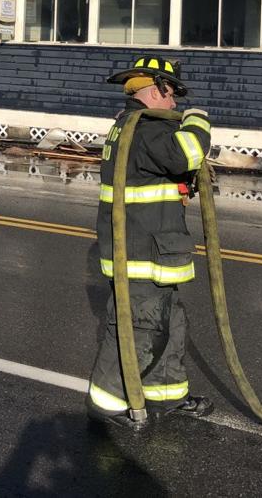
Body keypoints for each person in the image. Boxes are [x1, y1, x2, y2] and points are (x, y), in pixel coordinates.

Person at [86, 57, 214, 432]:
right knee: (137, 328)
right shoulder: (146, 129)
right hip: (141, 254)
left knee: (169, 323)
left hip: (152, 250)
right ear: (156, 90)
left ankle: (166, 394)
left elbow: (157, 174)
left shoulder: (133, 128)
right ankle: (106, 404)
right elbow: (188, 152)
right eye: (172, 95)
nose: (174, 104)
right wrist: (199, 118)